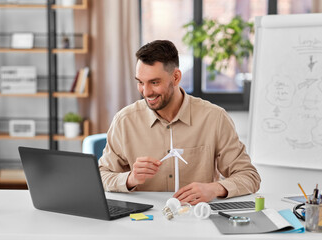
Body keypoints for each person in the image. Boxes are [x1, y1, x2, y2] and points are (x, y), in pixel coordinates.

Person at [99, 40, 260, 205]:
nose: (146, 92)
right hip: (143, 222)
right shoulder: (125, 121)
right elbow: (101, 176)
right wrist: (130, 179)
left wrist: (215, 188)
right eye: (140, 82)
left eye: (154, 82)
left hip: (198, 219)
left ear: (176, 77)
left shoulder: (214, 118)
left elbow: (249, 176)